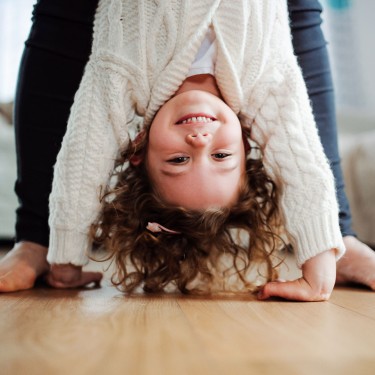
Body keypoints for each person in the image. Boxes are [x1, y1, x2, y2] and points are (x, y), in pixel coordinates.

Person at [0, 0, 374, 296]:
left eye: (179, 160)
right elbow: (301, 160)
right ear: (247, 144)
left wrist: (62, 256)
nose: (200, 143)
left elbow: (82, 161)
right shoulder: (266, 81)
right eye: (221, 157)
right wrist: (324, 251)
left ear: (138, 147)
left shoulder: (121, 75)